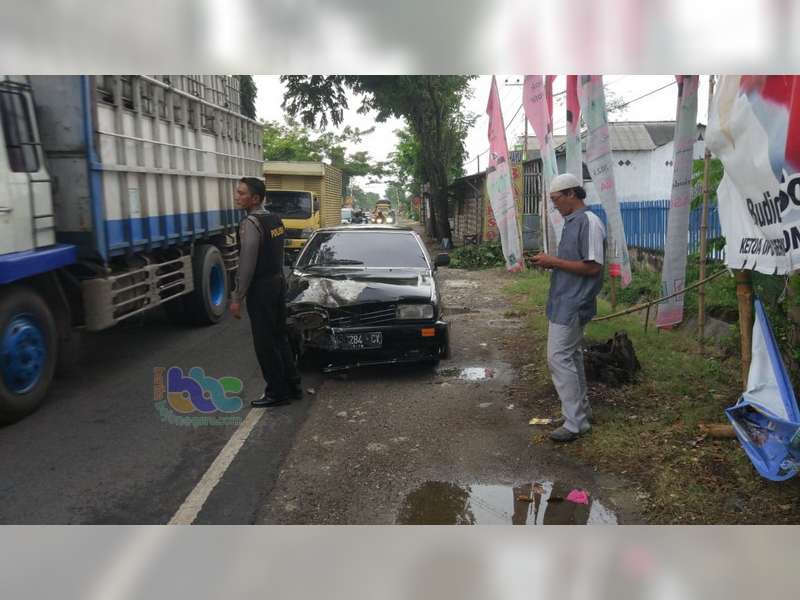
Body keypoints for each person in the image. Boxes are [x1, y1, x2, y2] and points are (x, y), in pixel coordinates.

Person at [532, 173, 606, 442]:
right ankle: (581, 413)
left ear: (571, 194)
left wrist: (554, 261)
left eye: (556, 199)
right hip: (564, 300)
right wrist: (552, 262)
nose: (555, 205)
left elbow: (594, 266)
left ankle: (575, 423)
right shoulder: (572, 222)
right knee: (571, 357)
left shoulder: (589, 222)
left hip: (574, 303)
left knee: (558, 358)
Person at [230, 177, 301, 407]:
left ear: (255, 199)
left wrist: (237, 296)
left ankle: (277, 392)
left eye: (242, 193)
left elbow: (247, 263)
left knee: (264, 342)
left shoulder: (251, 223)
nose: (237, 196)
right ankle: (293, 386)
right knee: (280, 337)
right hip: (277, 282)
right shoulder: (275, 219)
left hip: (261, 288)